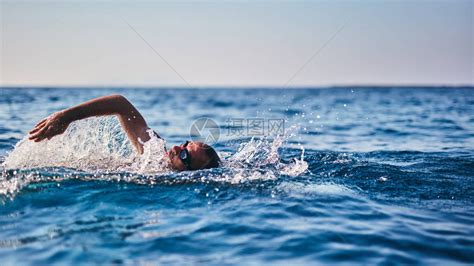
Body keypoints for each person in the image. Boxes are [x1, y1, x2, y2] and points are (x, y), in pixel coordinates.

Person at [28, 94, 220, 171]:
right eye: (185, 144)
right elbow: (121, 104)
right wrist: (66, 117)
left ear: (188, 173)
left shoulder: (166, 183)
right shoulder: (153, 150)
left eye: (185, 155)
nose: (178, 148)